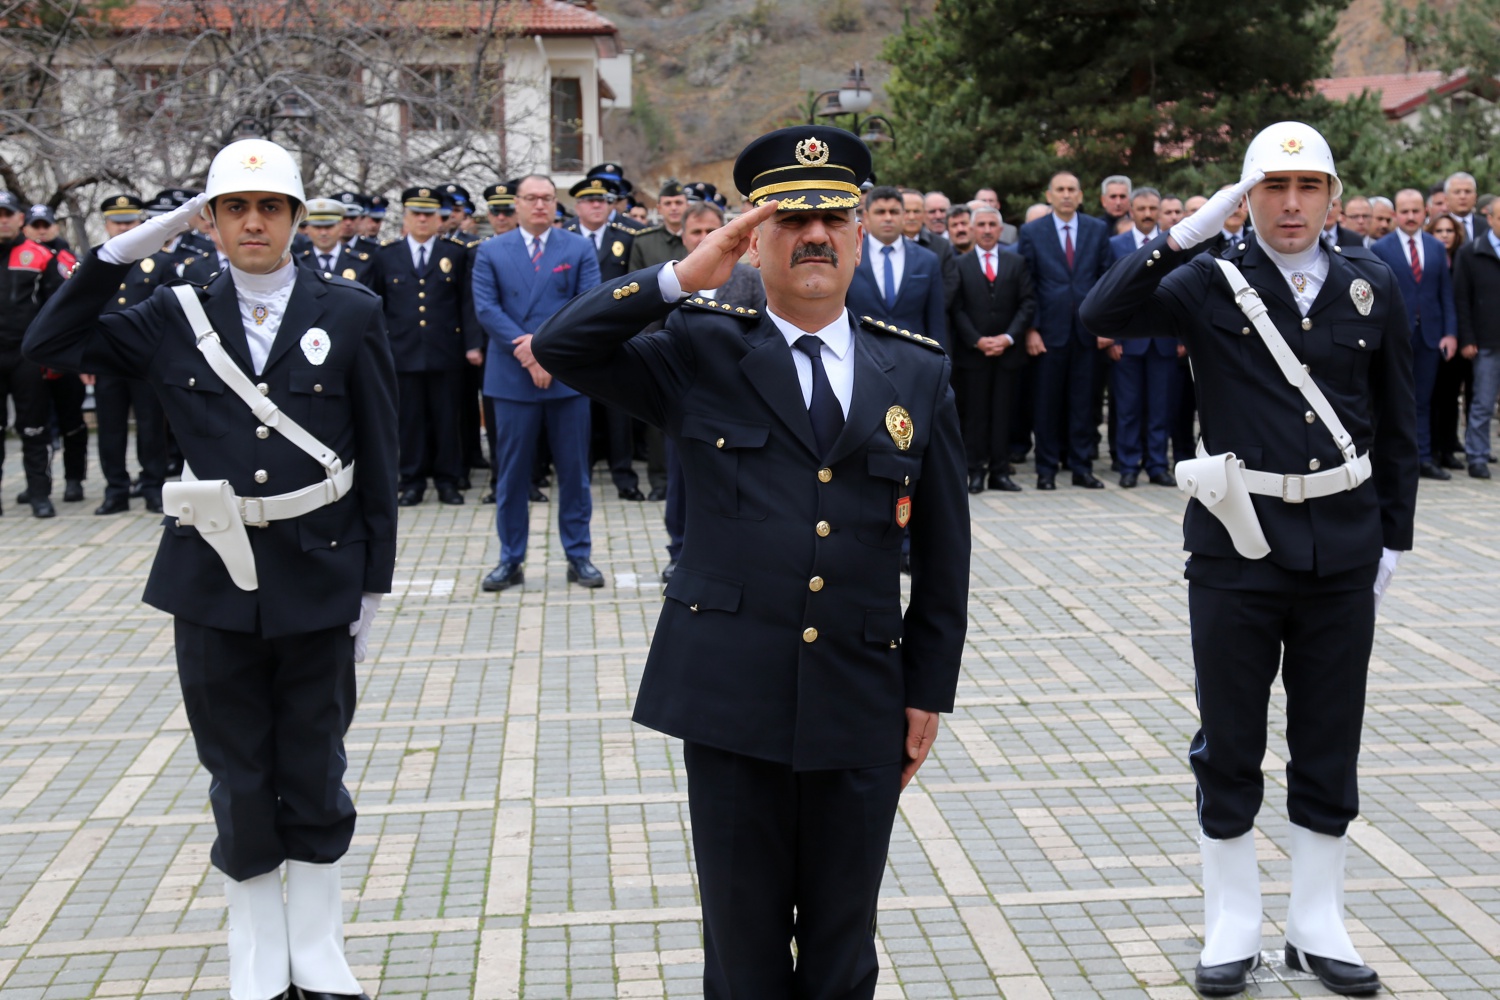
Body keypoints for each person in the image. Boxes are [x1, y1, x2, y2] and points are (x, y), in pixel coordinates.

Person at [531, 125, 969, 1000]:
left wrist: (927, 691)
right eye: (790, 218)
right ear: (754, 239)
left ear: (859, 232)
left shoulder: (913, 371)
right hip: (731, 693)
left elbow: (947, 552)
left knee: (845, 945)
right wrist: (679, 278)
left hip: (858, 688)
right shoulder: (700, 346)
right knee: (742, 947)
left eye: (833, 218)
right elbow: (564, 348)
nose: (816, 236)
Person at [26, 137, 397, 1000]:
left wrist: (373, 584)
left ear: (299, 221)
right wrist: (127, 247)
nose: (254, 222)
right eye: (236, 208)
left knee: (315, 762)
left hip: (318, 573)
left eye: (271, 208)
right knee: (237, 767)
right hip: (211, 580)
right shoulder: (171, 311)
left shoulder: (350, 312)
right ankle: (257, 948)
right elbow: (52, 337)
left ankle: (317, 943)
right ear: (213, 222)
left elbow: (380, 456)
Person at [1081, 121, 1416, 998]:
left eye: (1309, 188)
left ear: (1334, 197)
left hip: (1343, 548)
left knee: (1329, 735)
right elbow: (1099, 313)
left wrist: (1395, 539)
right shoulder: (1207, 282)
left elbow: (1399, 421)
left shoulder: (1371, 285)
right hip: (1236, 544)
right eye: (1273, 188)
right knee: (1230, 738)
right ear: (1248, 198)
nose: (1293, 204)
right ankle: (1232, 920)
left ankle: (1317, 921)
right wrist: (1187, 231)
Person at [471, 174, 603, 592]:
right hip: (511, 377)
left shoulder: (578, 248)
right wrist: (527, 352)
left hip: (565, 375)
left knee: (574, 472)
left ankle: (578, 556)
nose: (540, 205)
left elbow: (587, 305)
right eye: (531, 198)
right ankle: (510, 559)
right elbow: (487, 309)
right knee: (510, 475)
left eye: (547, 197)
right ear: (516, 203)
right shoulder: (491, 250)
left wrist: (545, 351)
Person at [654, 199, 766, 583]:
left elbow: (761, 336)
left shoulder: (749, 279)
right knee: (681, 480)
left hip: (738, 400)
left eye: (711, 230)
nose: (704, 238)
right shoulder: (667, 284)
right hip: (684, 399)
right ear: (683, 237)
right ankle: (678, 549)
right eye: (696, 232)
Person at [369, 187, 479, 506]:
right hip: (402, 353)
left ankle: (448, 480)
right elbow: (377, 306)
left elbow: (466, 303)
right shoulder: (386, 254)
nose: (422, 219)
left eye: (428, 214)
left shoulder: (455, 253)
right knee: (409, 421)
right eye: (415, 213)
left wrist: (472, 345)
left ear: (438, 218)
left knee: (448, 420)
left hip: (446, 351)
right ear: (405, 217)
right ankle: (412, 481)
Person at [1017, 170, 1113, 489]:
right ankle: (1046, 470)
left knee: (1084, 405)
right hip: (1048, 333)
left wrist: (1103, 326)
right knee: (1046, 405)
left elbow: (1105, 280)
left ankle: (1081, 467)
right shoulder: (1032, 232)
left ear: (1081, 195)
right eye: (1060, 189)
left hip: (1087, 332)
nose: (1067, 194)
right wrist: (1031, 329)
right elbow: (1026, 284)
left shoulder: (1098, 230)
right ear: (1049, 196)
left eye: (1072, 189)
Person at [92, 193, 173, 515]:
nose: (123, 227)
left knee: (151, 426)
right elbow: (84, 311)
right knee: (109, 428)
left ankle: (152, 486)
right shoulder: (95, 262)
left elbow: (172, 313)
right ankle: (116, 490)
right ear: (107, 225)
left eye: (129, 221)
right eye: (117, 222)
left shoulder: (162, 262)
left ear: (141, 222)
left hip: (146, 360)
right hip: (107, 359)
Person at [566, 175, 643, 501]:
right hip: (574, 335)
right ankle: (577, 474)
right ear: (578, 206)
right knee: (576, 410)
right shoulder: (564, 237)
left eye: (602, 200)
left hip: (615, 335)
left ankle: (624, 477)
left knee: (618, 411)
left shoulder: (626, 237)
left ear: (611, 204)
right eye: (588, 200)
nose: (596, 205)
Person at [1372, 189, 1457, 480]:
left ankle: (1422, 458)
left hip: (1431, 337)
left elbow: (1445, 293)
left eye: (1416, 211)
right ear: (1396, 214)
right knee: (1393, 400)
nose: (1410, 217)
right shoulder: (1380, 249)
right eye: (1404, 211)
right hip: (1394, 339)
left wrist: (1450, 333)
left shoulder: (1436, 247)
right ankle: (1394, 459)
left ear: (1425, 213)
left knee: (1423, 401)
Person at [951, 204, 1034, 493]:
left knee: (1003, 415)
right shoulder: (959, 264)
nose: (987, 230)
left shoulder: (1017, 262)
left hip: (1008, 354)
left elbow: (1027, 303)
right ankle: (975, 471)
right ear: (973, 229)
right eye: (981, 225)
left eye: (992, 225)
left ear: (1001, 230)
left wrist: (1008, 338)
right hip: (974, 355)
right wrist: (976, 340)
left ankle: (1000, 472)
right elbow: (956, 308)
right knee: (975, 416)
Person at [0, 190, 69, 517]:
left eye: (7, 214)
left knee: (34, 428)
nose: (2, 220)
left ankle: (40, 495)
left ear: (19, 219)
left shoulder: (39, 256)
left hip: (25, 357)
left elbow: (57, 308)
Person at [1108, 186, 1181, 487]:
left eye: (1153, 209)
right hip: (1126, 341)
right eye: (1142, 209)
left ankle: (1157, 465)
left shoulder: (1174, 243)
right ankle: (1128, 466)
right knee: (1127, 408)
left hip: (1164, 340)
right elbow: (1107, 293)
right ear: (1131, 211)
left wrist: (1181, 337)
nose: (1148, 214)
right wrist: (1111, 338)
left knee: (1159, 408)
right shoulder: (1115, 244)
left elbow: (1182, 291)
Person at [849, 185, 948, 351]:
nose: (888, 218)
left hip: (914, 354)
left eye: (894, 212)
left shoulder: (927, 260)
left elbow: (936, 319)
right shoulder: (849, 258)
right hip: (863, 354)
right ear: (866, 217)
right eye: (880, 212)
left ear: (903, 216)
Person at [1453, 210, 1500, 478]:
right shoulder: (1471, 252)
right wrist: (1468, 338)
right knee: (1483, 402)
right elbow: (1462, 298)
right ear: (1490, 219)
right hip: (1487, 340)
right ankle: (1477, 456)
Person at [902, 187, 959, 304]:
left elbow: (950, 284)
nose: (911, 217)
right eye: (906, 211)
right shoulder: (888, 244)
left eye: (916, 211)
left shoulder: (942, 245)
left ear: (924, 214)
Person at [299, 198, 374, 285]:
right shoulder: (299, 263)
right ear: (308, 229)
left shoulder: (361, 263)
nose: (323, 233)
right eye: (317, 227)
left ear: (340, 226)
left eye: (329, 227)